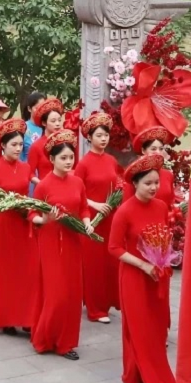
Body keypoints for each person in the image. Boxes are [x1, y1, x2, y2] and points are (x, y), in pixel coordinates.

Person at [109, 153, 181, 383]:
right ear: (135, 184)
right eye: (148, 183)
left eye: (156, 183)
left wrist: (163, 261)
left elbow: (164, 237)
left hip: (157, 277)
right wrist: (143, 264)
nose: (153, 187)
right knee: (142, 332)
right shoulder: (125, 212)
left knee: (156, 329)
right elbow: (114, 248)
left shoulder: (161, 207)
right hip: (134, 278)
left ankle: (134, 376)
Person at [31, 129, 92, 360]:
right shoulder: (44, 185)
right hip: (51, 242)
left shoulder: (77, 182)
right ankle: (44, 338)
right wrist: (45, 219)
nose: (68, 162)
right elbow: (32, 214)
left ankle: (66, 342)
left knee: (73, 293)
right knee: (57, 294)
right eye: (63, 158)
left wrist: (87, 224)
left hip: (73, 242)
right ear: (52, 159)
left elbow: (84, 207)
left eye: (71, 157)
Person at [0, 118, 39, 334]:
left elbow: (34, 188)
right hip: (3, 226)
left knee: (26, 270)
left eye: (20, 144)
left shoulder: (25, 168)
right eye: (13, 144)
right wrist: (6, 201)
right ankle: (5, 317)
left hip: (22, 224)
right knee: (4, 271)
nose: (17, 148)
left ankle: (26, 317)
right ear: (3, 145)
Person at [76, 112, 124, 324]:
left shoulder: (112, 161)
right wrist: (95, 204)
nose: (103, 138)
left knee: (109, 262)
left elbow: (119, 184)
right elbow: (75, 193)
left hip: (111, 218)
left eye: (105, 135)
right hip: (92, 220)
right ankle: (95, 308)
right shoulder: (83, 164)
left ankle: (108, 301)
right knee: (93, 264)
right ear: (90, 138)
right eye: (99, 135)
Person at [121, 126, 177, 205]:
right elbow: (127, 205)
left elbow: (171, 201)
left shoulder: (168, 175)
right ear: (143, 150)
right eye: (153, 149)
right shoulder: (135, 175)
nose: (158, 152)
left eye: (161, 149)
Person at [28, 98, 68, 183]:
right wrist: (42, 184)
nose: (57, 124)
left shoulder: (66, 143)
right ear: (44, 123)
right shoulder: (36, 146)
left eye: (59, 120)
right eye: (53, 121)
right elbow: (30, 173)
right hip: (44, 190)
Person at [20, 91, 46, 163]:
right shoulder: (23, 128)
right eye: (37, 108)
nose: (41, 111)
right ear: (29, 109)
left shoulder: (49, 126)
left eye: (43, 107)